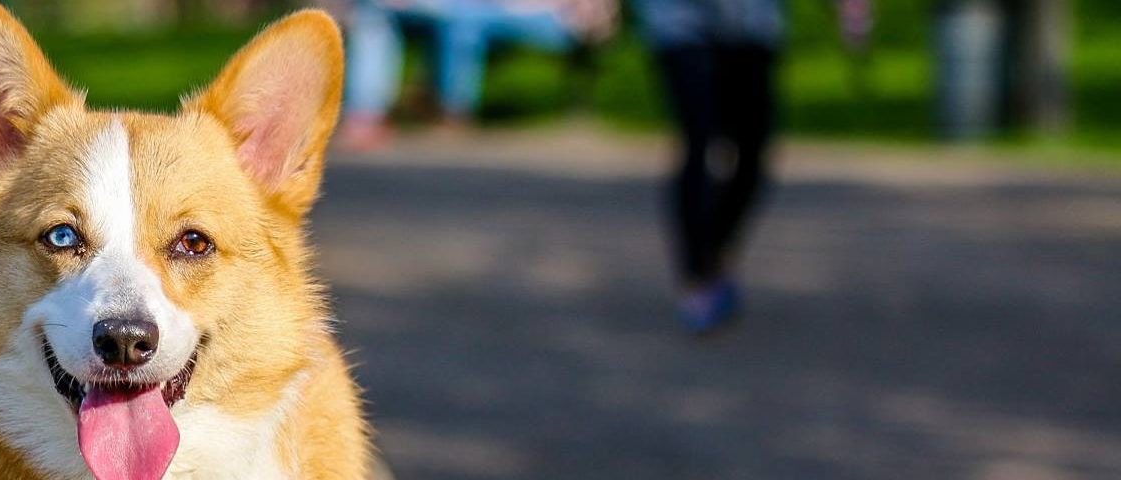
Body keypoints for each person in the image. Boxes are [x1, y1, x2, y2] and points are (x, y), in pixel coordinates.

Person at [634, 0, 871, 334]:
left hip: (752, 23)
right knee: (699, 141)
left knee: (754, 151)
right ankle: (698, 278)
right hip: (680, 21)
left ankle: (715, 253)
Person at [341, 0, 614, 148]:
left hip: (549, 15)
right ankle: (368, 115)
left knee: (463, 20)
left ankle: (446, 107)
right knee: (373, 10)